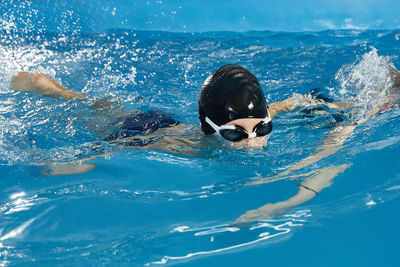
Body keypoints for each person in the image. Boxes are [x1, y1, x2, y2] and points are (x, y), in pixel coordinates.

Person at [11, 63, 400, 225]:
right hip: (148, 128)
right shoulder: (182, 147)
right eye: (234, 134)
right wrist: (68, 167)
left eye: (261, 130)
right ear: (210, 130)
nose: (251, 143)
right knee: (101, 110)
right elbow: (114, 155)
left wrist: (368, 103)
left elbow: (301, 110)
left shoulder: (261, 119)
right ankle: (54, 89)